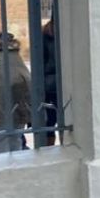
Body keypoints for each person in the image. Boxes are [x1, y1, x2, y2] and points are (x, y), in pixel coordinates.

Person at [41, 19, 59, 147]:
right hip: (50, 85)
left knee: (68, 123)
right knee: (50, 122)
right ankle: (49, 150)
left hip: (63, 83)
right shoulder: (45, 36)